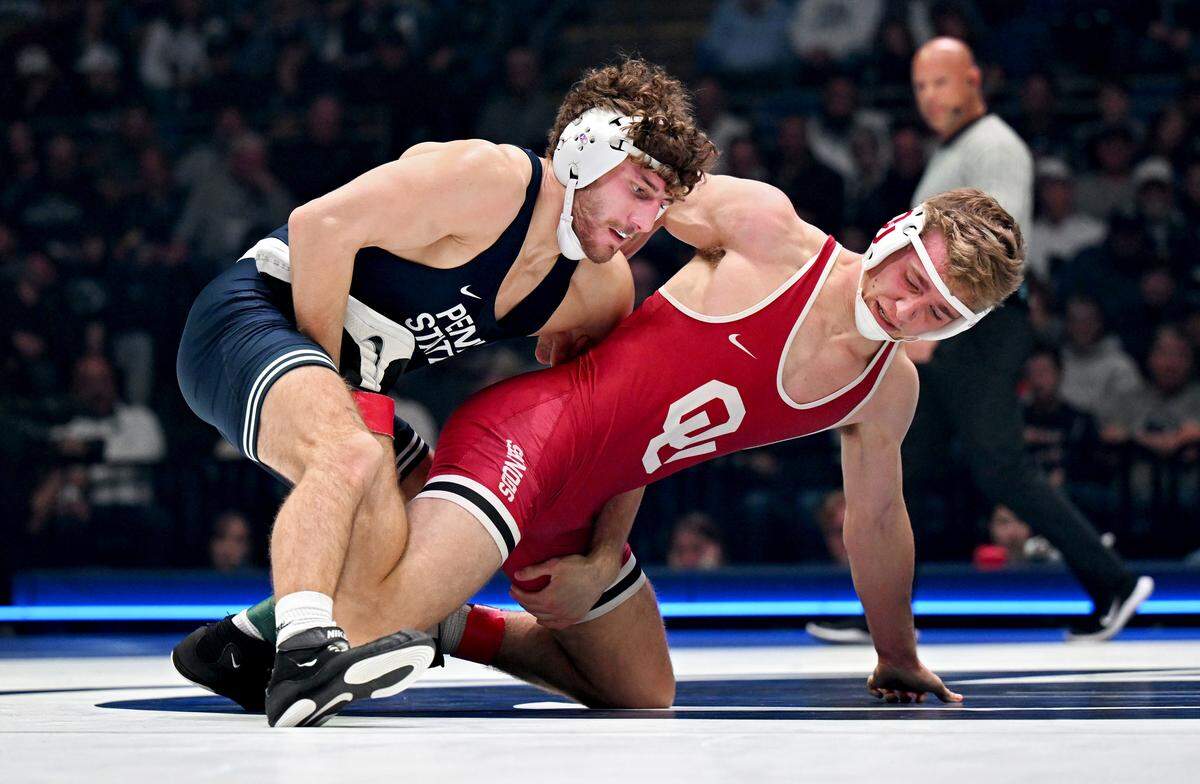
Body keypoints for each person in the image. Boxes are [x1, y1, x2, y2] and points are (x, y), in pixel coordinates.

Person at [181, 181, 1025, 717]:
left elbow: (877, 520)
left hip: (598, 501)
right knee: (354, 631)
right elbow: (617, 179)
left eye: (942, 315)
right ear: (895, 235)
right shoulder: (769, 232)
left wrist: (896, 654)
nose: (912, 312)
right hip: (526, 438)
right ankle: (267, 627)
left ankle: (446, 622)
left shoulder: (887, 390)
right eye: (916, 281)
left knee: (640, 691)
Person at [170, 58, 717, 727]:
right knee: (348, 455)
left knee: (425, 550)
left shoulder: (596, 290)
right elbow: (319, 226)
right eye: (639, 190)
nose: (645, 222)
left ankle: (243, 642)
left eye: (662, 206)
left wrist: (602, 556)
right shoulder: (488, 180)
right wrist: (345, 388)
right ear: (584, 149)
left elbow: (615, 419)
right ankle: (305, 649)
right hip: (258, 316)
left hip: (359, 374)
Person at [809, 37, 1153, 647]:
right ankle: (886, 614)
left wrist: (939, 334)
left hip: (978, 328)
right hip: (955, 328)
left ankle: (1113, 583)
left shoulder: (994, 145)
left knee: (1000, 465)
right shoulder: (959, 151)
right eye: (919, 86)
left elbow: (1001, 254)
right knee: (903, 466)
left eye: (941, 82)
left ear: (973, 80)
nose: (929, 97)